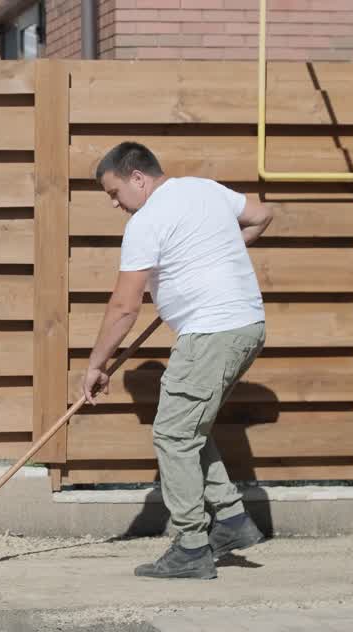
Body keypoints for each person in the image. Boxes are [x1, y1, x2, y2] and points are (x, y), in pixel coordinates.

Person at [81, 142, 273, 580]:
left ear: (137, 177)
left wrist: (96, 364)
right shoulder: (203, 189)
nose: (114, 204)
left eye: (114, 192)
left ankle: (191, 546)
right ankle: (230, 521)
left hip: (211, 332)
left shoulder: (147, 222)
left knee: (172, 434)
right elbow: (263, 215)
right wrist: (218, 252)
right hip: (247, 326)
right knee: (188, 427)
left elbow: (124, 308)